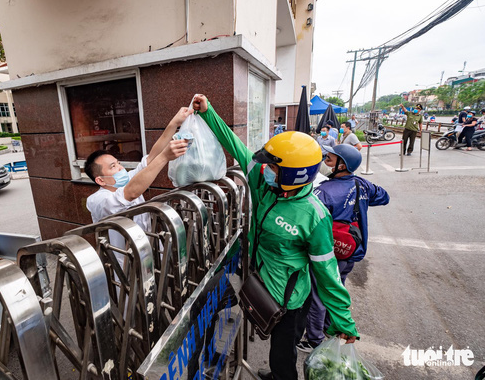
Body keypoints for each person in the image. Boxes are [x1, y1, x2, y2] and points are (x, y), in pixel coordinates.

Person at [192, 94, 358, 380]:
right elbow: (235, 145)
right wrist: (209, 112)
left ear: (295, 174)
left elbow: (327, 272)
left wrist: (343, 321)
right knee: (211, 300)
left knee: (282, 359)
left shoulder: (313, 215)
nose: (265, 170)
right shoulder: (263, 183)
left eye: (273, 167)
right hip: (256, 277)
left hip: (289, 300)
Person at [298, 145, 389, 352]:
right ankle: (330, 328)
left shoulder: (324, 191)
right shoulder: (362, 185)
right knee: (338, 287)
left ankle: (314, 340)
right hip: (352, 251)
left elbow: (307, 219)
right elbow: (383, 197)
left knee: (319, 296)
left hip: (329, 254)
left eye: (329, 159)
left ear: (342, 165)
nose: (325, 162)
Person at [84, 107, 191, 257]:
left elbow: (152, 157)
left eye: (118, 162)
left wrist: (174, 123)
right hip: (126, 263)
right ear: (100, 180)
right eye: (113, 166)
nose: (121, 168)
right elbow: (131, 193)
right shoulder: (98, 201)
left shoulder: (127, 180)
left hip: (149, 249)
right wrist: (165, 157)